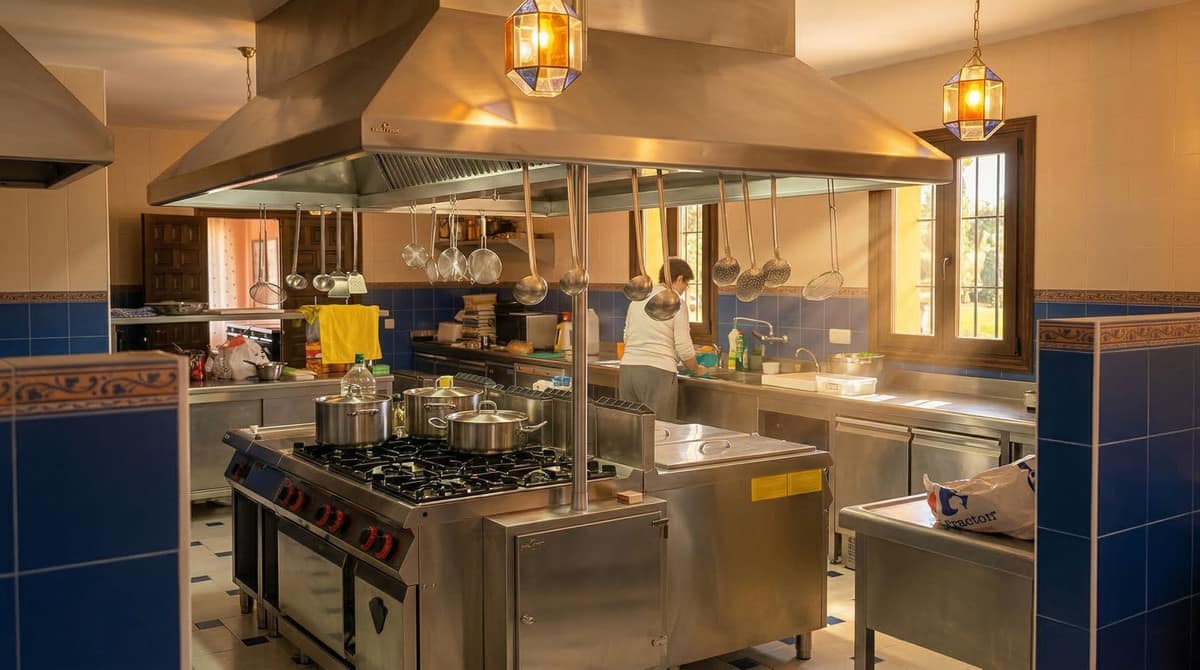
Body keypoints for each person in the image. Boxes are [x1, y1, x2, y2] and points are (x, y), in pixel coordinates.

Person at [619, 257, 711, 421]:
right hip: (658, 373)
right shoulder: (675, 302)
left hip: (628, 370)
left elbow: (626, 336)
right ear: (680, 278)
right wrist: (697, 369)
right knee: (660, 429)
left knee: (632, 428)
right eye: (686, 285)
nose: (684, 290)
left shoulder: (638, 299)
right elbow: (683, 346)